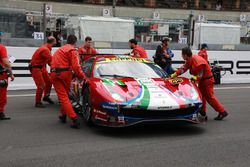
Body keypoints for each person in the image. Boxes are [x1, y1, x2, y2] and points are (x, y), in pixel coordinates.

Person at [171, 47, 228, 121]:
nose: (181, 56)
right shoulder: (189, 60)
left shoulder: (198, 61)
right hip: (202, 80)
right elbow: (183, 69)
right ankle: (202, 112)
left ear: (185, 55)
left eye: (182, 54)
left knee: (210, 97)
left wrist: (195, 78)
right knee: (201, 96)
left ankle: (222, 111)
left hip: (207, 81)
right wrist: (174, 75)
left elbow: (200, 74)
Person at [50, 35, 86, 129]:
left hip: (54, 73)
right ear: (75, 42)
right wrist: (83, 77)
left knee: (63, 96)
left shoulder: (60, 49)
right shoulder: (73, 50)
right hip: (66, 74)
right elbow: (76, 67)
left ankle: (63, 115)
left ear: (67, 41)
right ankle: (74, 119)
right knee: (65, 96)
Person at [30, 36, 56, 108]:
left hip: (41, 67)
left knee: (49, 81)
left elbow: (48, 61)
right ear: (53, 42)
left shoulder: (46, 47)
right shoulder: (46, 50)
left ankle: (46, 96)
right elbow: (51, 62)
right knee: (41, 85)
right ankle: (37, 102)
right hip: (36, 68)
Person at [0, 44, 14, 120]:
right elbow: (6, 62)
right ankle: (0, 113)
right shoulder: (1, 47)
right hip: (1, 75)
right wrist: (11, 74)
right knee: (2, 95)